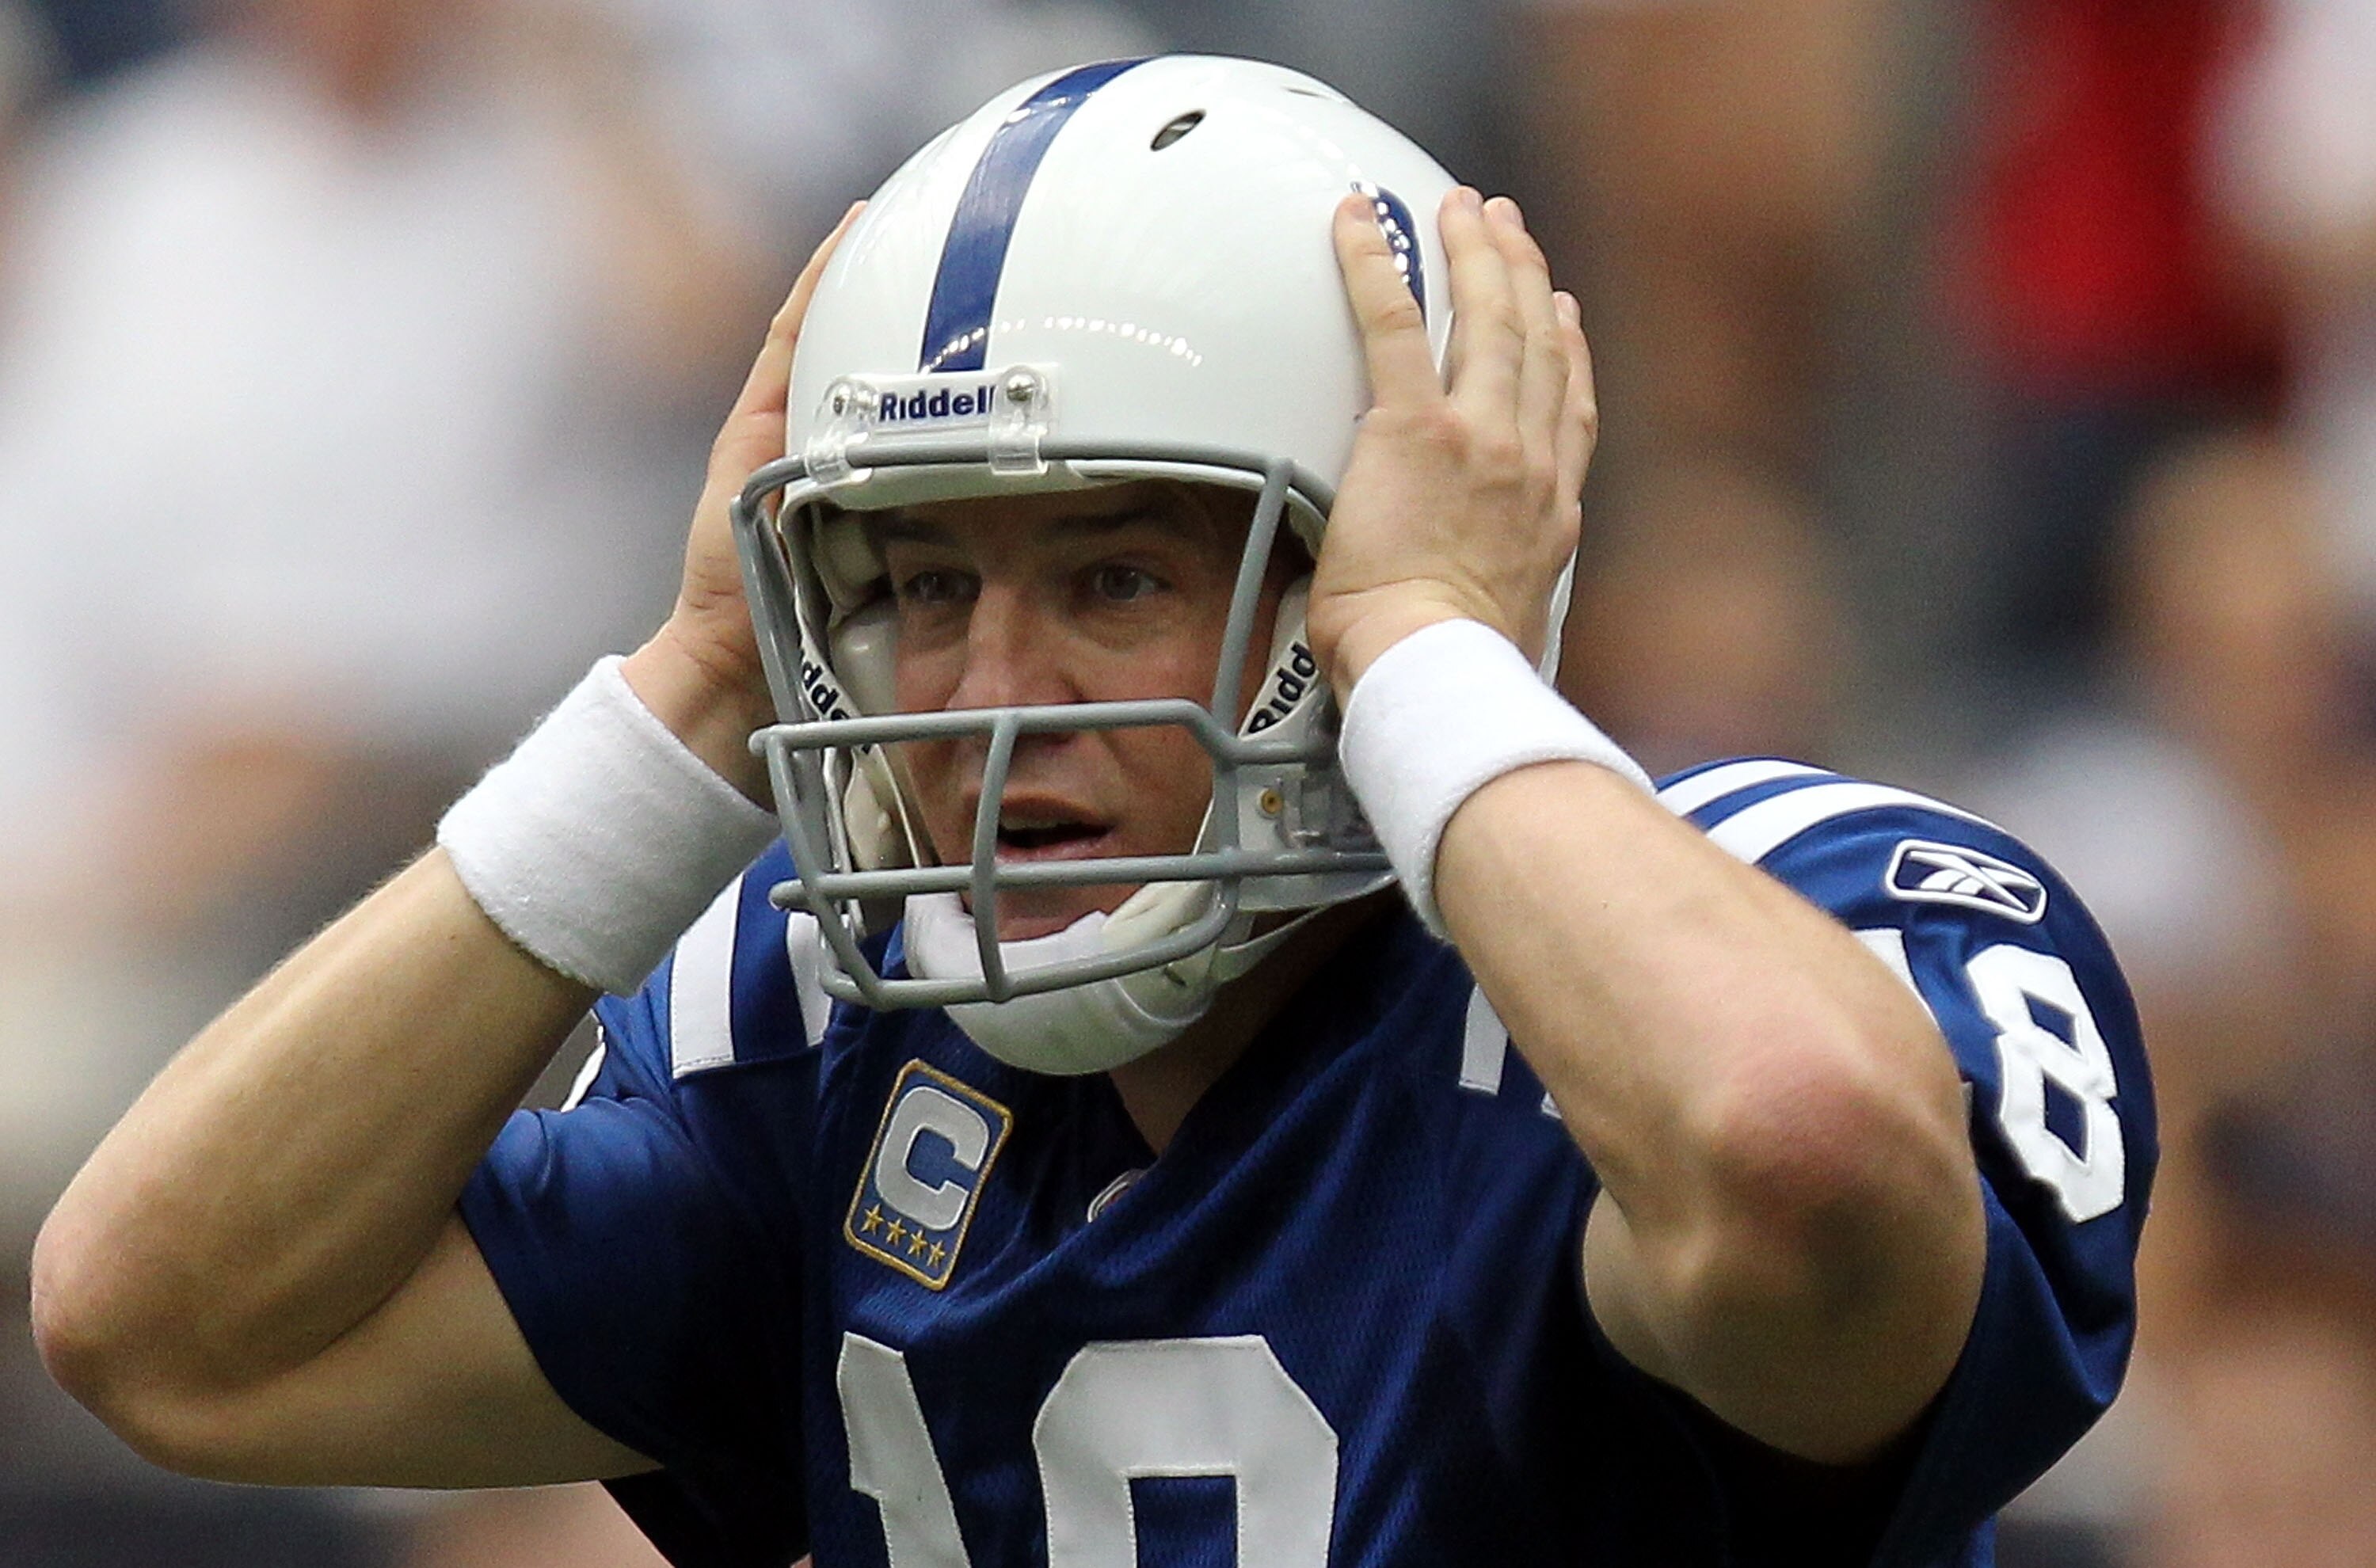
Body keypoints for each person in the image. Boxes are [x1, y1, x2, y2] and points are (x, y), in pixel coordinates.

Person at [30, 56, 2151, 1566]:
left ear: (1385, 557)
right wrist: (689, 704)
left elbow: (1792, 1150)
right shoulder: (826, 1039)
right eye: (917, 586)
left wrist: (1430, 662)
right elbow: (165, 1322)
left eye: (1118, 577)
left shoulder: (1780, 921)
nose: (986, 698)